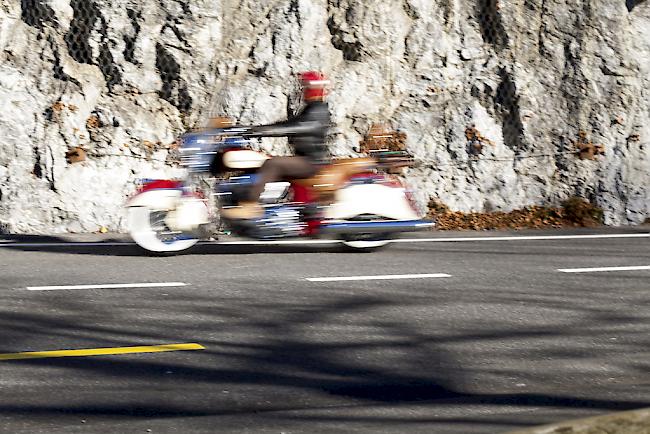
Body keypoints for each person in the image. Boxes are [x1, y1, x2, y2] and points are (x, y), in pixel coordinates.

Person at [220, 71, 332, 220]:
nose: (302, 90)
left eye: (305, 86)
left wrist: (259, 132)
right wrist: (250, 129)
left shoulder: (318, 110)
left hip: (312, 162)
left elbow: (296, 128)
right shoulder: (311, 108)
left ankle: (249, 205)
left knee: (273, 164)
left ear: (312, 89)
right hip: (305, 159)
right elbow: (287, 124)